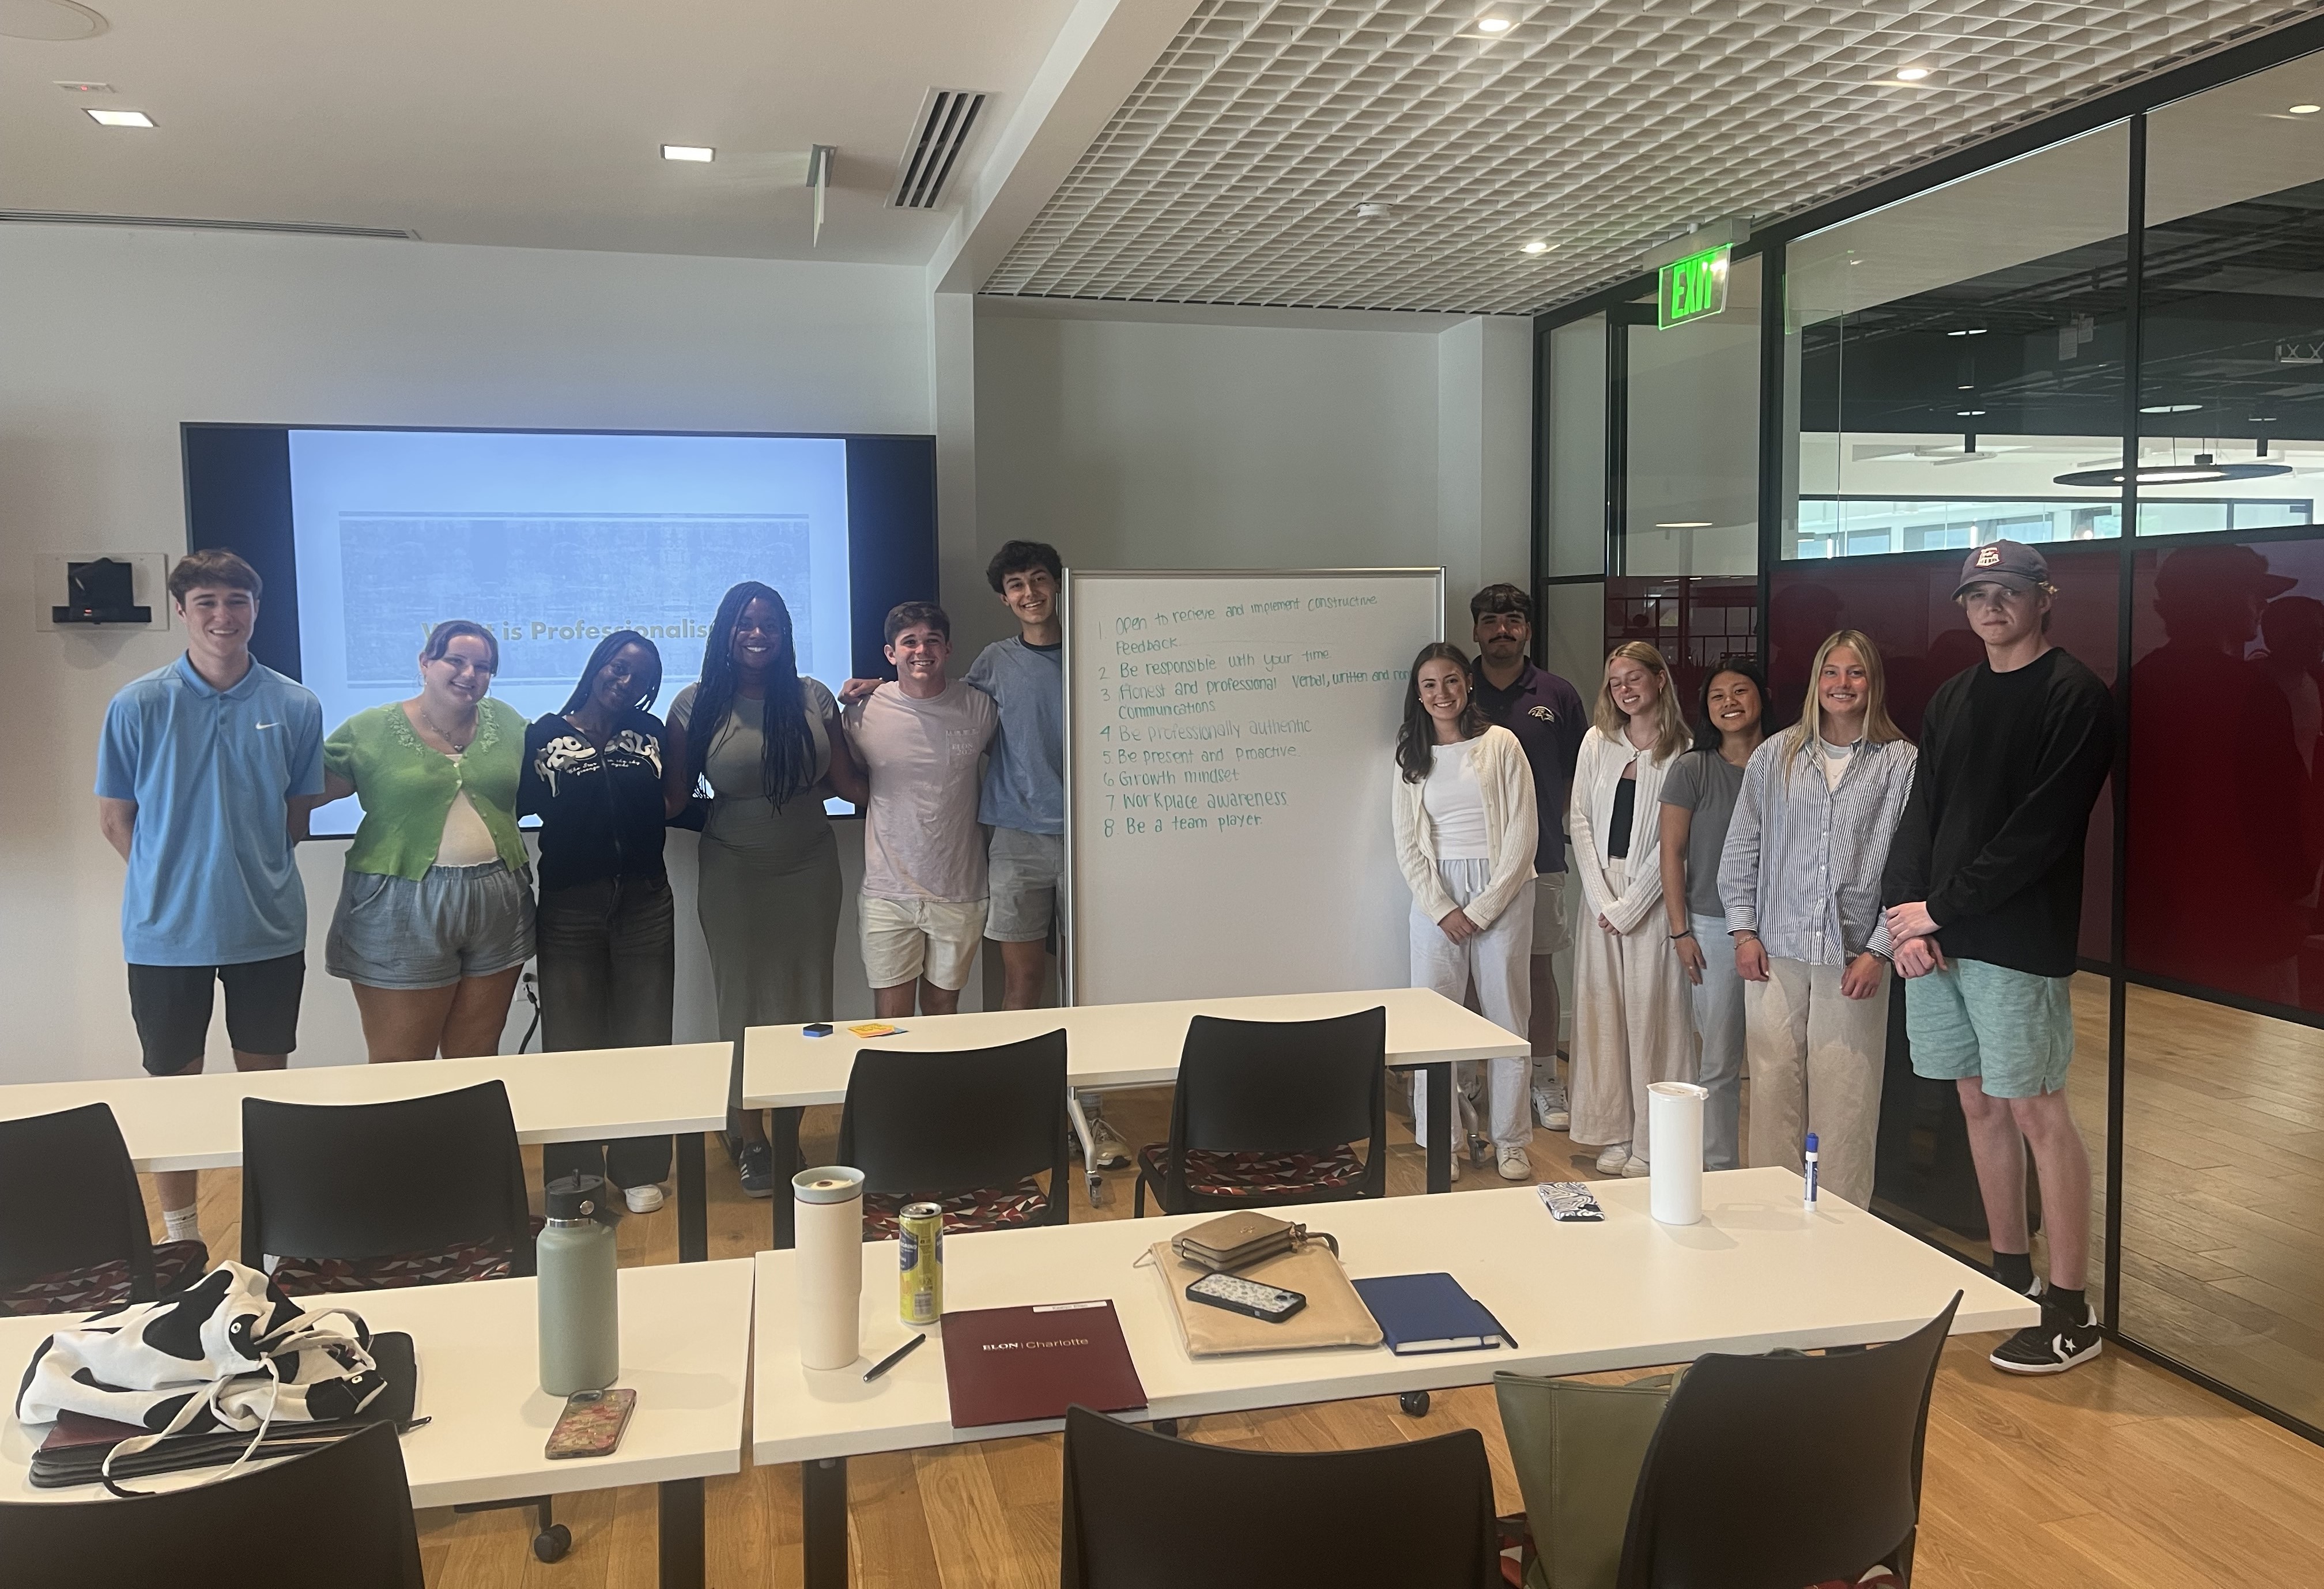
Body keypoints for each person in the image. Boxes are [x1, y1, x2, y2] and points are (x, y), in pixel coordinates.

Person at [1882, 541, 2114, 1375]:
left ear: (2042, 599)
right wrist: (1907, 923)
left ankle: (2069, 1308)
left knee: (2035, 1111)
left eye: (2008, 590)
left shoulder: (2076, 697)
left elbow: (2042, 832)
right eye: (1977, 592)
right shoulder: (1953, 696)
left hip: (2017, 942)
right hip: (1940, 939)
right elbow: (1923, 812)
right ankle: (2009, 1271)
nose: (1991, 604)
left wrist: (1941, 908)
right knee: (1976, 1104)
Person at [96, 548, 325, 1247]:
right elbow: (114, 819)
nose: (223, 617)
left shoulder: (295, 703)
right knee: (174, 1089)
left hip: (267, 929)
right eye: (207, 604)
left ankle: (271, 1229)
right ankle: (181, 1234)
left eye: (237, 602)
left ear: (257, 609)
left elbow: (297, 816)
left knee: (262, 1091)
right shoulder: (138, 703)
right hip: (166, 937)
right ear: (182, 612)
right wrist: (176, 878)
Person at [665, 582, 863, 1198]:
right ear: (726, 631)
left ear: (785, 633)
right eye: (745, 622)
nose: (758, 632)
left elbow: (850, 784)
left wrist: (883, 712)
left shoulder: (811, 696)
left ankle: (792, 1127)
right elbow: (673, 798)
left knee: (809, 1002)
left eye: (770, 622)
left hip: (809, 863)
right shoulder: (695, 704)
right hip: (734, 866)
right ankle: (750, 1135)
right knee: (744, 1004)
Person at [1719, 633, 1916, 1206]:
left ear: (1873, 683)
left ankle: (1841, 1221)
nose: (1842, 685)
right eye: (1831, 672)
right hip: (1774, 948)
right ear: (1815, 681)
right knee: (1775, 1080)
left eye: (1856, 673)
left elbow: (1909, 865)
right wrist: (1743, 931)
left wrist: (1880, 949)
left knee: (1847, 1092)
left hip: (1854, 956)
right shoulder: (1776, 754)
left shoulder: (1901, 763)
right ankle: (1772, 1207)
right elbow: (1742, 848)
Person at [320, 620, 532, 1063]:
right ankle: (397, 1138)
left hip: (499, 900)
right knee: (402, 1063)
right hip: (400, 905)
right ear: (425, 662)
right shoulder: (371, 728)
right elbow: (301, 791)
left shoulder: (509, 722)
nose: (469, 674)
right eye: (455, 660)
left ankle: (466, 1137)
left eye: (483, 666)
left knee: (476, 1058)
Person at [519, 631, 676, 1214]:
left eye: (641, 678)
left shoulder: (652, 735)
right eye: (619, 668)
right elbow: (507, 806)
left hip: (646, 902)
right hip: (569, 906)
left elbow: (675, 803)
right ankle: (577, 1173)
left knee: (644, 1037)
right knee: (573, 1045)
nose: (626, 682)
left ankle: (639, 1167)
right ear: (597, 667)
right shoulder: (542, 736)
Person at [1392, 643, 1538, 1180]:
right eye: (1429, 684)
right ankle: (1441, 1141)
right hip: (1437, 900)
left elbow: (1524, 832)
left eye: (1450, 680)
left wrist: (1483, 908)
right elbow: (1407, 842)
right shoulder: (1412, 753)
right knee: (1434, 1026)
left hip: (1501, 893)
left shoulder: (1501, 745)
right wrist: (1443, 908)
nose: (1442, 693)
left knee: (1507, 1019)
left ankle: (1511, 1139)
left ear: (1468, 682)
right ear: (1419, 693)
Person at [1567, 641, 1693, 1176]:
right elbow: (1580, 822)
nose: (1624, 688)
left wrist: (1632, 906)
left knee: (1653, 1019)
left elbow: (1680, 844)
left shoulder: (1684, 749)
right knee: (1602, 1019)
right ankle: (1613, 1132)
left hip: (1656, 897)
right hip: (1600, 897)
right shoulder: (1598, 742)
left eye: (1634, 677)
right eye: (1615, 680)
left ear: (1660, 680)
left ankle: (1652, 1140)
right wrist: (1602, 899)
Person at [1467, 584, 1589, 1132]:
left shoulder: (1557, 694)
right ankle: (1468, 1072)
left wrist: (1551, 827)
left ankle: (1543, 1077)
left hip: (1540, 859)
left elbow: (1576, 775)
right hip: (1468, 862)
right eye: (1491, 620)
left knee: (1537, 966)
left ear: (1528, 630)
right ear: (1476, 630)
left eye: (1513, 620)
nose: (1502, 629)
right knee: (1469, 973)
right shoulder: (1457, 687)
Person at [846, 602, 999, 1019]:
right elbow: (851, 778)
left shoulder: (980, 708)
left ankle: (939, 1088)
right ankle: (894, 1088)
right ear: (891, 653)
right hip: (887, 893)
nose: (921, 650)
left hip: (960, 889)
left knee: (941, 1013)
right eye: (909, 642)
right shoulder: (861, 712)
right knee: (891, 1019)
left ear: (948, 649)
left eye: (932, 640)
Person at [1656, 659, 1765, 1171]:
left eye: (1740, 691)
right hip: (1712, 927)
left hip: (1784, 930)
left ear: (1761, 697)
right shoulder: (1693, 768)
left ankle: (1778, 1166)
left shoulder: (1787, 762)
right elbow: (1671, 854)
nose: (1730, 702)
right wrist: (1680, 930)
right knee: (1720, 1059)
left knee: (1778, 1059)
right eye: (1718, 696)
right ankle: (1719, 1166)